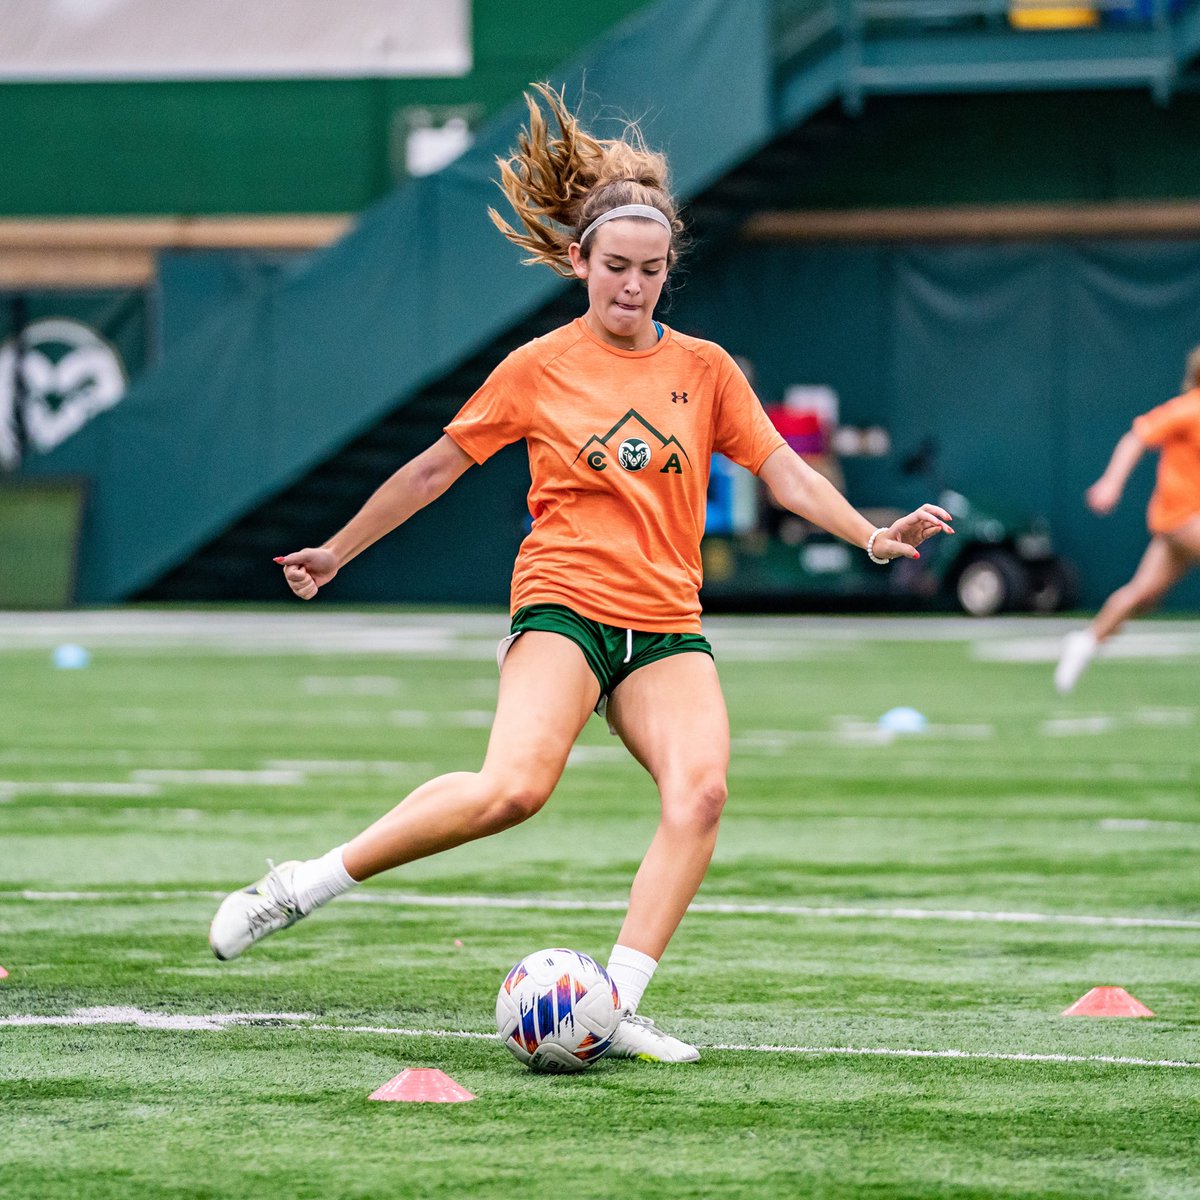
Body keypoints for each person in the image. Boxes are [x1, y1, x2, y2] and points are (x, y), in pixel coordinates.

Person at [208, 84, 954, 1062]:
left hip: (666, 625)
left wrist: (868, 533)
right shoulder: (535, 368)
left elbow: (778, 466)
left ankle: (615, 1004)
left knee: (703, 795)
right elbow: (436, 466)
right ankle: (302, 885)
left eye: (650, 270)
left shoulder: (707, 369)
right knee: (514, 790)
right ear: (579, 262)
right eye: (614, 268)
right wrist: (338, 550)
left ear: (667, 270)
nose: (632, 286)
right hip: (562, 607)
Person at [1055, 345, 1200, 694]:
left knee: (1142, 595)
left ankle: (1087, 640)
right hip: (1183, 518)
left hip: (1179, 526)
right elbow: (1136, 438)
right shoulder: (1189, 408)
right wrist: (1111, 483)